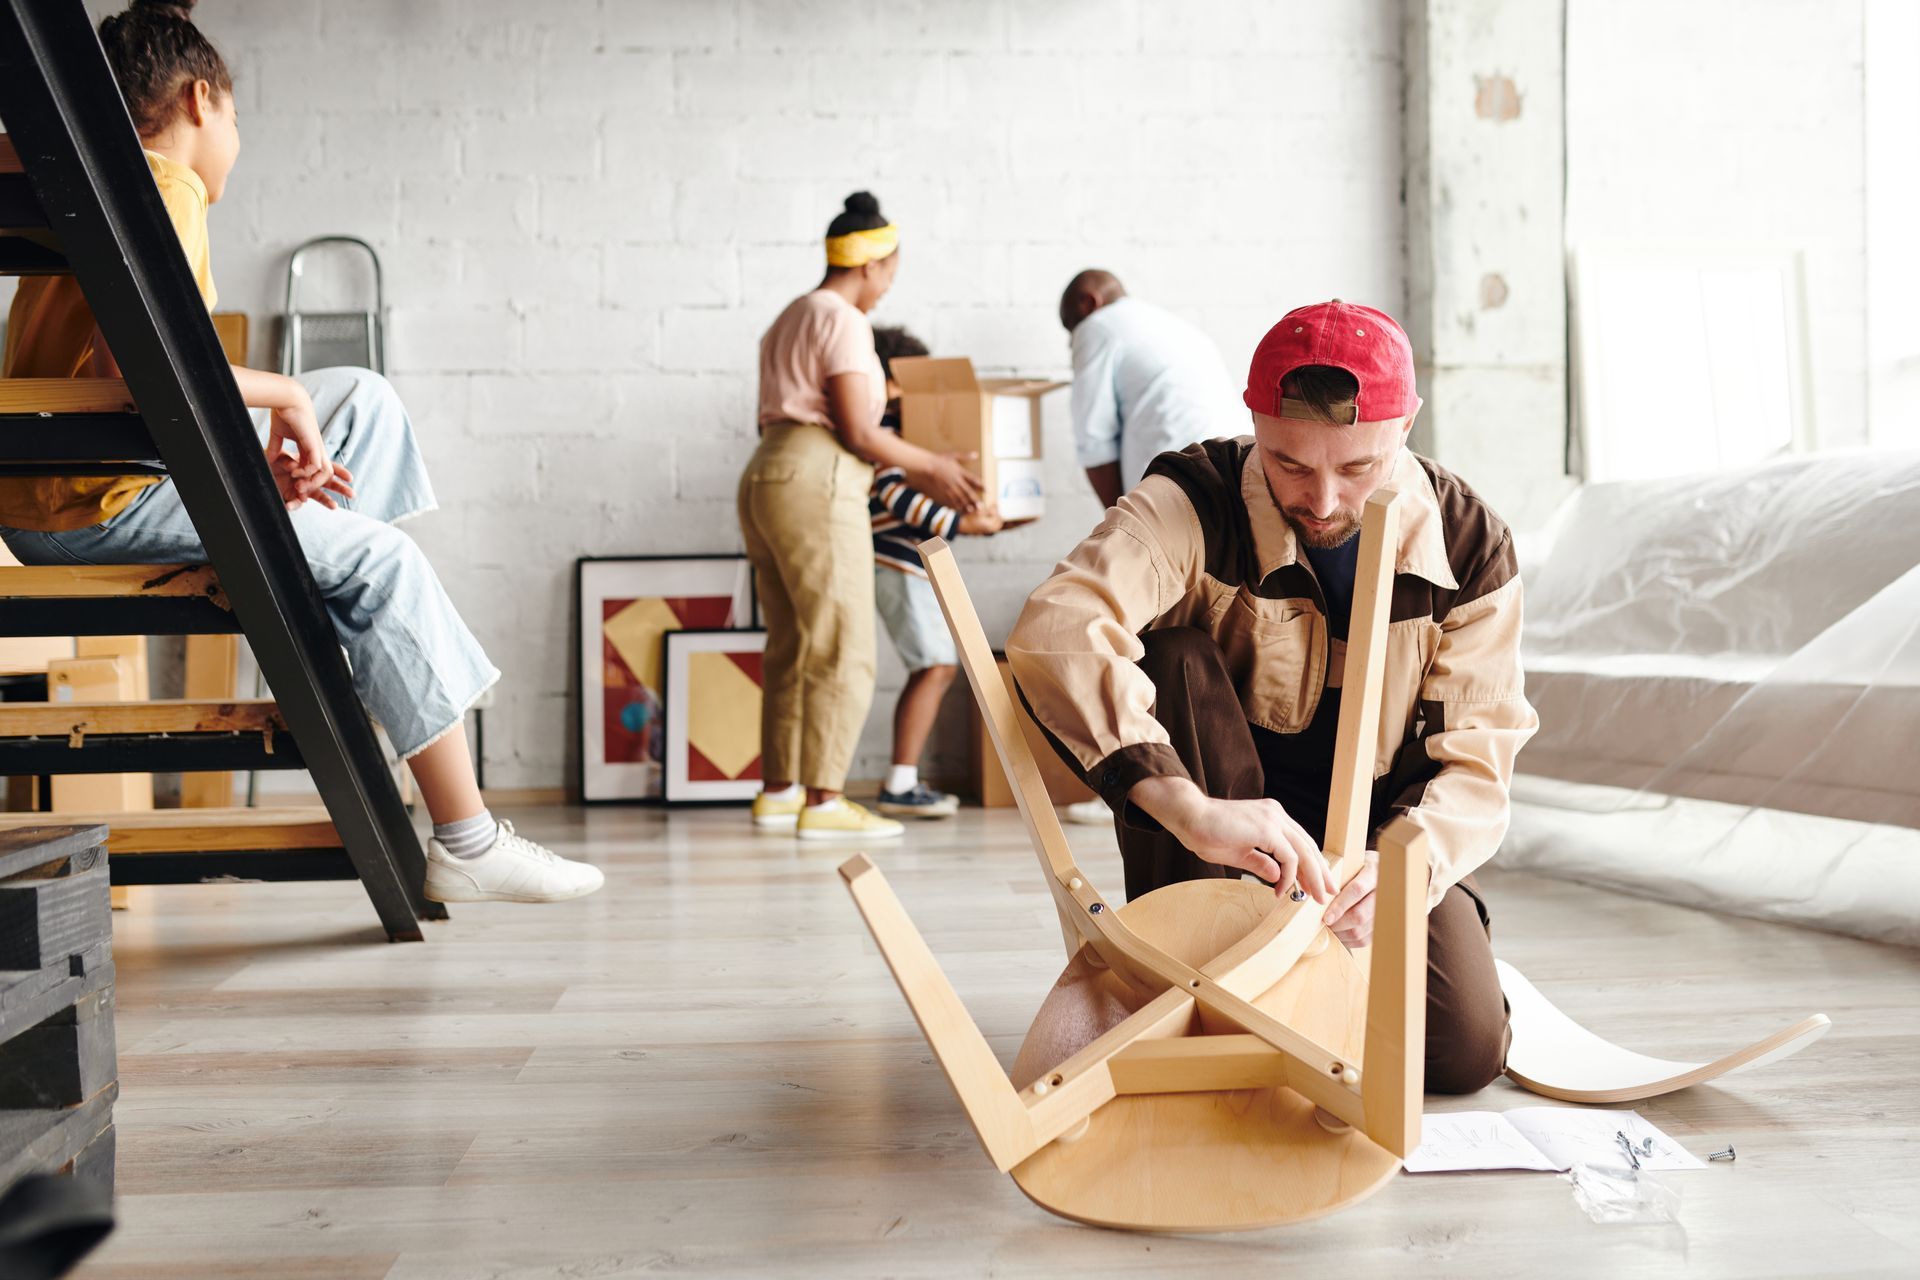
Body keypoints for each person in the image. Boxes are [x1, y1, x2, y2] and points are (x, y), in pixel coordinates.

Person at [0, 0, 602, 905]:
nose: (238, 135)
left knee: (364, 396)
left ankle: (340, 608)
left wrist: (292, 421)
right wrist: (284, 397)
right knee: (383, 559)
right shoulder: (161, 183)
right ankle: (467, 837)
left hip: (82, 481)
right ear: (201, 100)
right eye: (237, 116)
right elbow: (144, 371)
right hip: (92, 503)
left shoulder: (101, 174)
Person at [1006, 300, 1538, 1093]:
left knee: (1461, 1056)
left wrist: (1403, 872)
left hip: (1376, 839)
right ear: (1253, 420)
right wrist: (1188, 809)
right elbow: (1059, 629)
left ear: (1407, 425)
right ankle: (1200, 959)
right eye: (1289, 463)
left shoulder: (1471, 548)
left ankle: (1333, 965)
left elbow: (1478, 759)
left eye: (1358, 468)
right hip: (1216, 825)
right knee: (1175, 656)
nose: (1322, 499)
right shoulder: (1193, 495)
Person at [741, 193, 983, 841]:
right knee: (844, 645)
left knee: (792, 643)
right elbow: (857, 429)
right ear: (872, 265)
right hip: (816, 478)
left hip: (767, 472)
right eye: (889, 275)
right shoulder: (843, 319)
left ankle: (780, 793)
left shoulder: (788, 316)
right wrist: (935, 467)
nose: (886, 292)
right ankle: (824, 801)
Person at [867, 326, 1003, 819]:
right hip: (893, 560)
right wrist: (961, 522)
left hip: (904, 559)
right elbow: (890, 492)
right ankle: (899, 783)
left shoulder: (897, 426)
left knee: (934, 665)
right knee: (935, 664)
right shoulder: (881, 424)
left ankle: (902, 779)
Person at [1059, 269, 1244, 509]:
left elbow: (1094, 442)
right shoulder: (1171, 325)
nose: (1071, 341)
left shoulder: (1096, 326)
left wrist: (1121, 523)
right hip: (1238, 471)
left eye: (1071, 327)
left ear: (1089, 302)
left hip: (1178, 484)